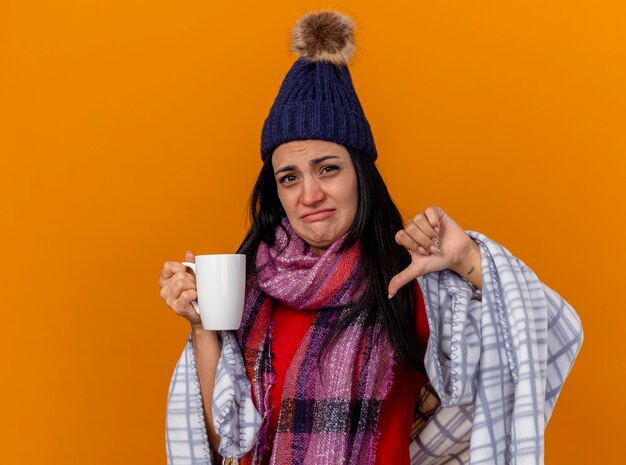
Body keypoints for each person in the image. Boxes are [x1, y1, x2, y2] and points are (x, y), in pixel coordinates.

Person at [159, 10, 583, 465]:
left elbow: (555, 335)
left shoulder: (409, 279)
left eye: (328, 168)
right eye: (289, 177)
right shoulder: (248, 291)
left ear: (360, 174)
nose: (310, 194)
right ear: (275, 191)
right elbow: (224, 445)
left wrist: (467, 258)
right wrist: (203, 326)